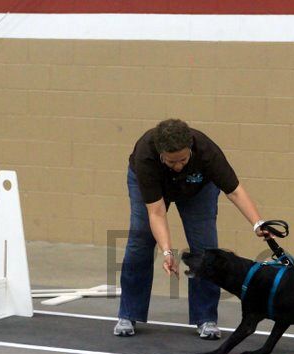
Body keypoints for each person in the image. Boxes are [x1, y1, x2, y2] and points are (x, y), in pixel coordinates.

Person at [114, 118, 267, 339]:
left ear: (191, 149)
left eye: (183, 159)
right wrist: (167, 252)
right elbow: (156, 212)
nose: (178, 166)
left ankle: (205, 318)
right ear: (160, 153)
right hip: (153, 187)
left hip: (198, 189)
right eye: (171, 161)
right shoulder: (145, 155)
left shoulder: (206, 150)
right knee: (140, 241)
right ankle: (128, 314)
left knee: (205, 249)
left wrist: (257, 223)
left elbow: (234, 191)